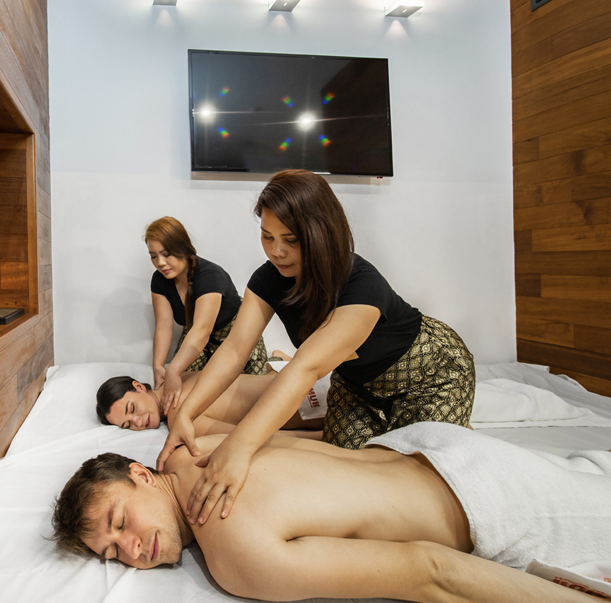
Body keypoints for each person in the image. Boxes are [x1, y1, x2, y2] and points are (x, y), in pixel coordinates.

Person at [158, 170, 475, 525]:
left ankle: (456, 432)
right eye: (267, 236)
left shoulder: (361, 285)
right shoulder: (268, 279)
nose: (277, 251)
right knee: (341, 474)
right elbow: (234, 350)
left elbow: (305, 368)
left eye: (291, 240)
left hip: (430, 375)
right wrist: (186, 413)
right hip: (358, 388)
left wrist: (239, 446)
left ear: (321, 233)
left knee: (417, 485)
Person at [51, 423, 611, 603]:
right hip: (429, 446)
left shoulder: (235, 555)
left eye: (120, 522)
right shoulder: (192, 448)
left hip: (486, 501)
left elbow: (429, 570)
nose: (131, 550)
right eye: (113, 553)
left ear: (141, 474)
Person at [144, 217, 270, 414]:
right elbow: (163, 326)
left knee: (249, 390)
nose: (160, 263)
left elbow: (203, 330)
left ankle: (278, 358)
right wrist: (159, 367)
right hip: (195, 334)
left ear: (183, 247)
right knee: (183, 389)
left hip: (233, 334)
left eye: (166, 254)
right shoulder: (159, 280)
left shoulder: (209, 275)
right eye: (153, 256)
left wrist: (173, 370)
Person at [95, 373, 323, 437]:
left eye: (132, 409)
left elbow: (248, 436)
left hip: (311, 404)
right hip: (304, 375)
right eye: (127, 425)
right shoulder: (178, 376)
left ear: (139, 386)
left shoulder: (178, 417)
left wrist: (323, 438)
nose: (137, 422)